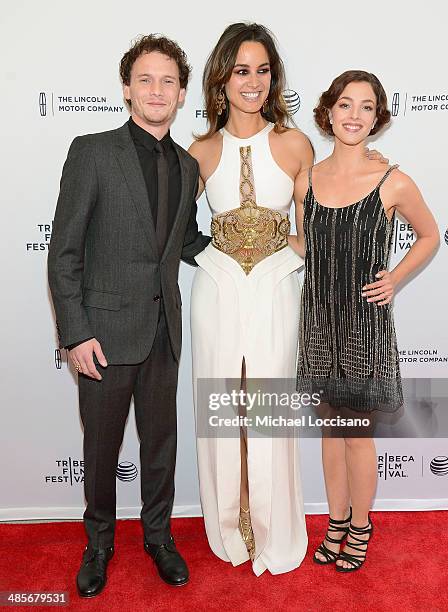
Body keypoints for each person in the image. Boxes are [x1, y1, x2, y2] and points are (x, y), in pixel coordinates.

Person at [48, 34, 210, 596]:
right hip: (104, 334)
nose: (157, 89)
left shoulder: (189, 166)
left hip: (163, 329)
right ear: (126, 88)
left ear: (182, 92)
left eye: (168, 80)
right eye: (146, 79)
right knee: (101, 448)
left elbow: (183, 240)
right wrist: (75, 333)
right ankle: (98, 545)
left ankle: (160, 537)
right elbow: (64, 251)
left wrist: (248, 245)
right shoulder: (92, 150)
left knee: (160, 444)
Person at [294, 70, 439, 572]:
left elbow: (429, 236)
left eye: (366, 107)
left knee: (356, 433)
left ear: (377, 118)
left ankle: (360, 524)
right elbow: (307, 247)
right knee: (332, 434)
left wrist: (394, 279)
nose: (354, 115)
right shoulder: (305, 179)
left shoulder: (391, 179)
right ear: (328, 112)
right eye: (345, 105)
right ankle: (335, 522)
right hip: (319, 322)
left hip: (362, 326)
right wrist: (255, 241)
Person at [188, 22, 314, 576]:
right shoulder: (201, 150)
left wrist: (281, 246)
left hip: (275, 286)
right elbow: (167, 230)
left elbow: (314, 233)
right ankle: (228, 524)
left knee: (267, 405)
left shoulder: (293, 143)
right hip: (217, 288)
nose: (254, 82)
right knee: (221, 404)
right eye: (242, 70)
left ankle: (271, 526)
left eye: (263, 71)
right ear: (222, 78)